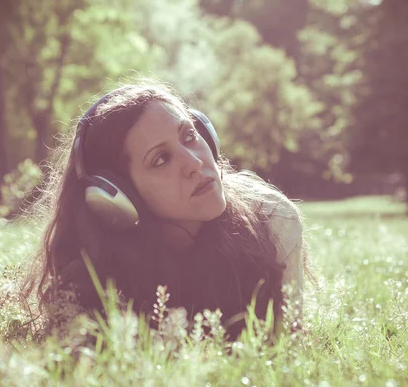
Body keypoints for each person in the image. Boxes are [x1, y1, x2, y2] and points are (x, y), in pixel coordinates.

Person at [19, 82, 314, 340]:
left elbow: (289, 348)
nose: (194, 163)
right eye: (161, 159)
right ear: (120, 197)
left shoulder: (273, 220)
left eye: (189, 136)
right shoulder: (97, 272)